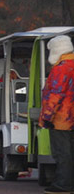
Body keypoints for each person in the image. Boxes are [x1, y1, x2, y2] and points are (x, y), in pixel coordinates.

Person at [40, 35, 74, 193]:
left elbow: (56, 94)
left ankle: (63, 184)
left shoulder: (61, 68)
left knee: (62, 153)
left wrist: (47, 116)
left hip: (62, 119)